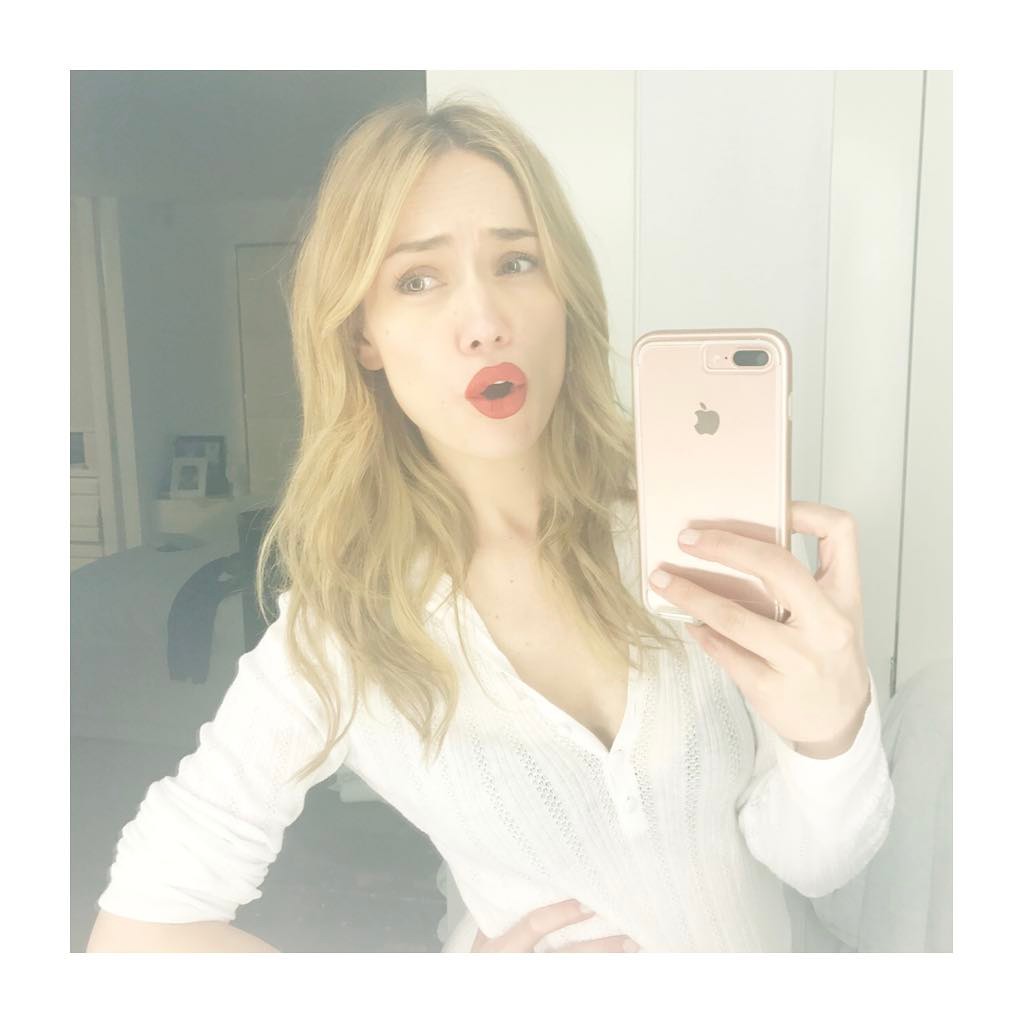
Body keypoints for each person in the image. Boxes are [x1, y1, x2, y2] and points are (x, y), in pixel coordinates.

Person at [86, 95, 895, 954]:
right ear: (363, 335)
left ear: (563, 292)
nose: (485, 324)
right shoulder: (347, 630)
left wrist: (832, 727)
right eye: (418, 279)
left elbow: (818, 864)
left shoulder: (691, 535)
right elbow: (136, 933)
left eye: (517, 262)